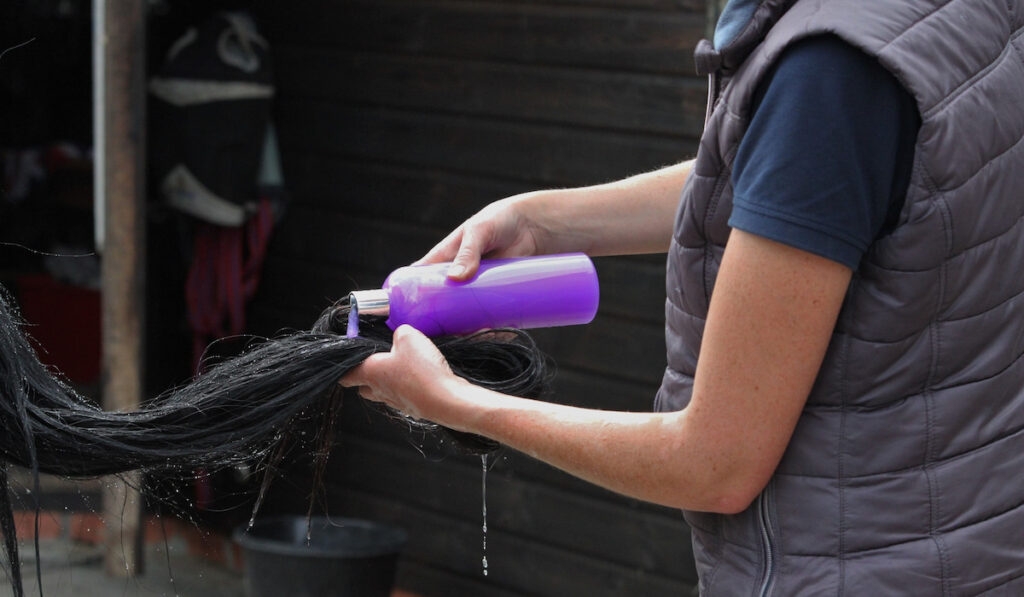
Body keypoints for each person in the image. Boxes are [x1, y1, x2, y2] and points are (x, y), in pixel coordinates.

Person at [341, 1, 1024, 594]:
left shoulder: (830, 71)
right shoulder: (937, 18)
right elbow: (796, 179)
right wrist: (541, 220)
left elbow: (716, 462)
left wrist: (453, 403)